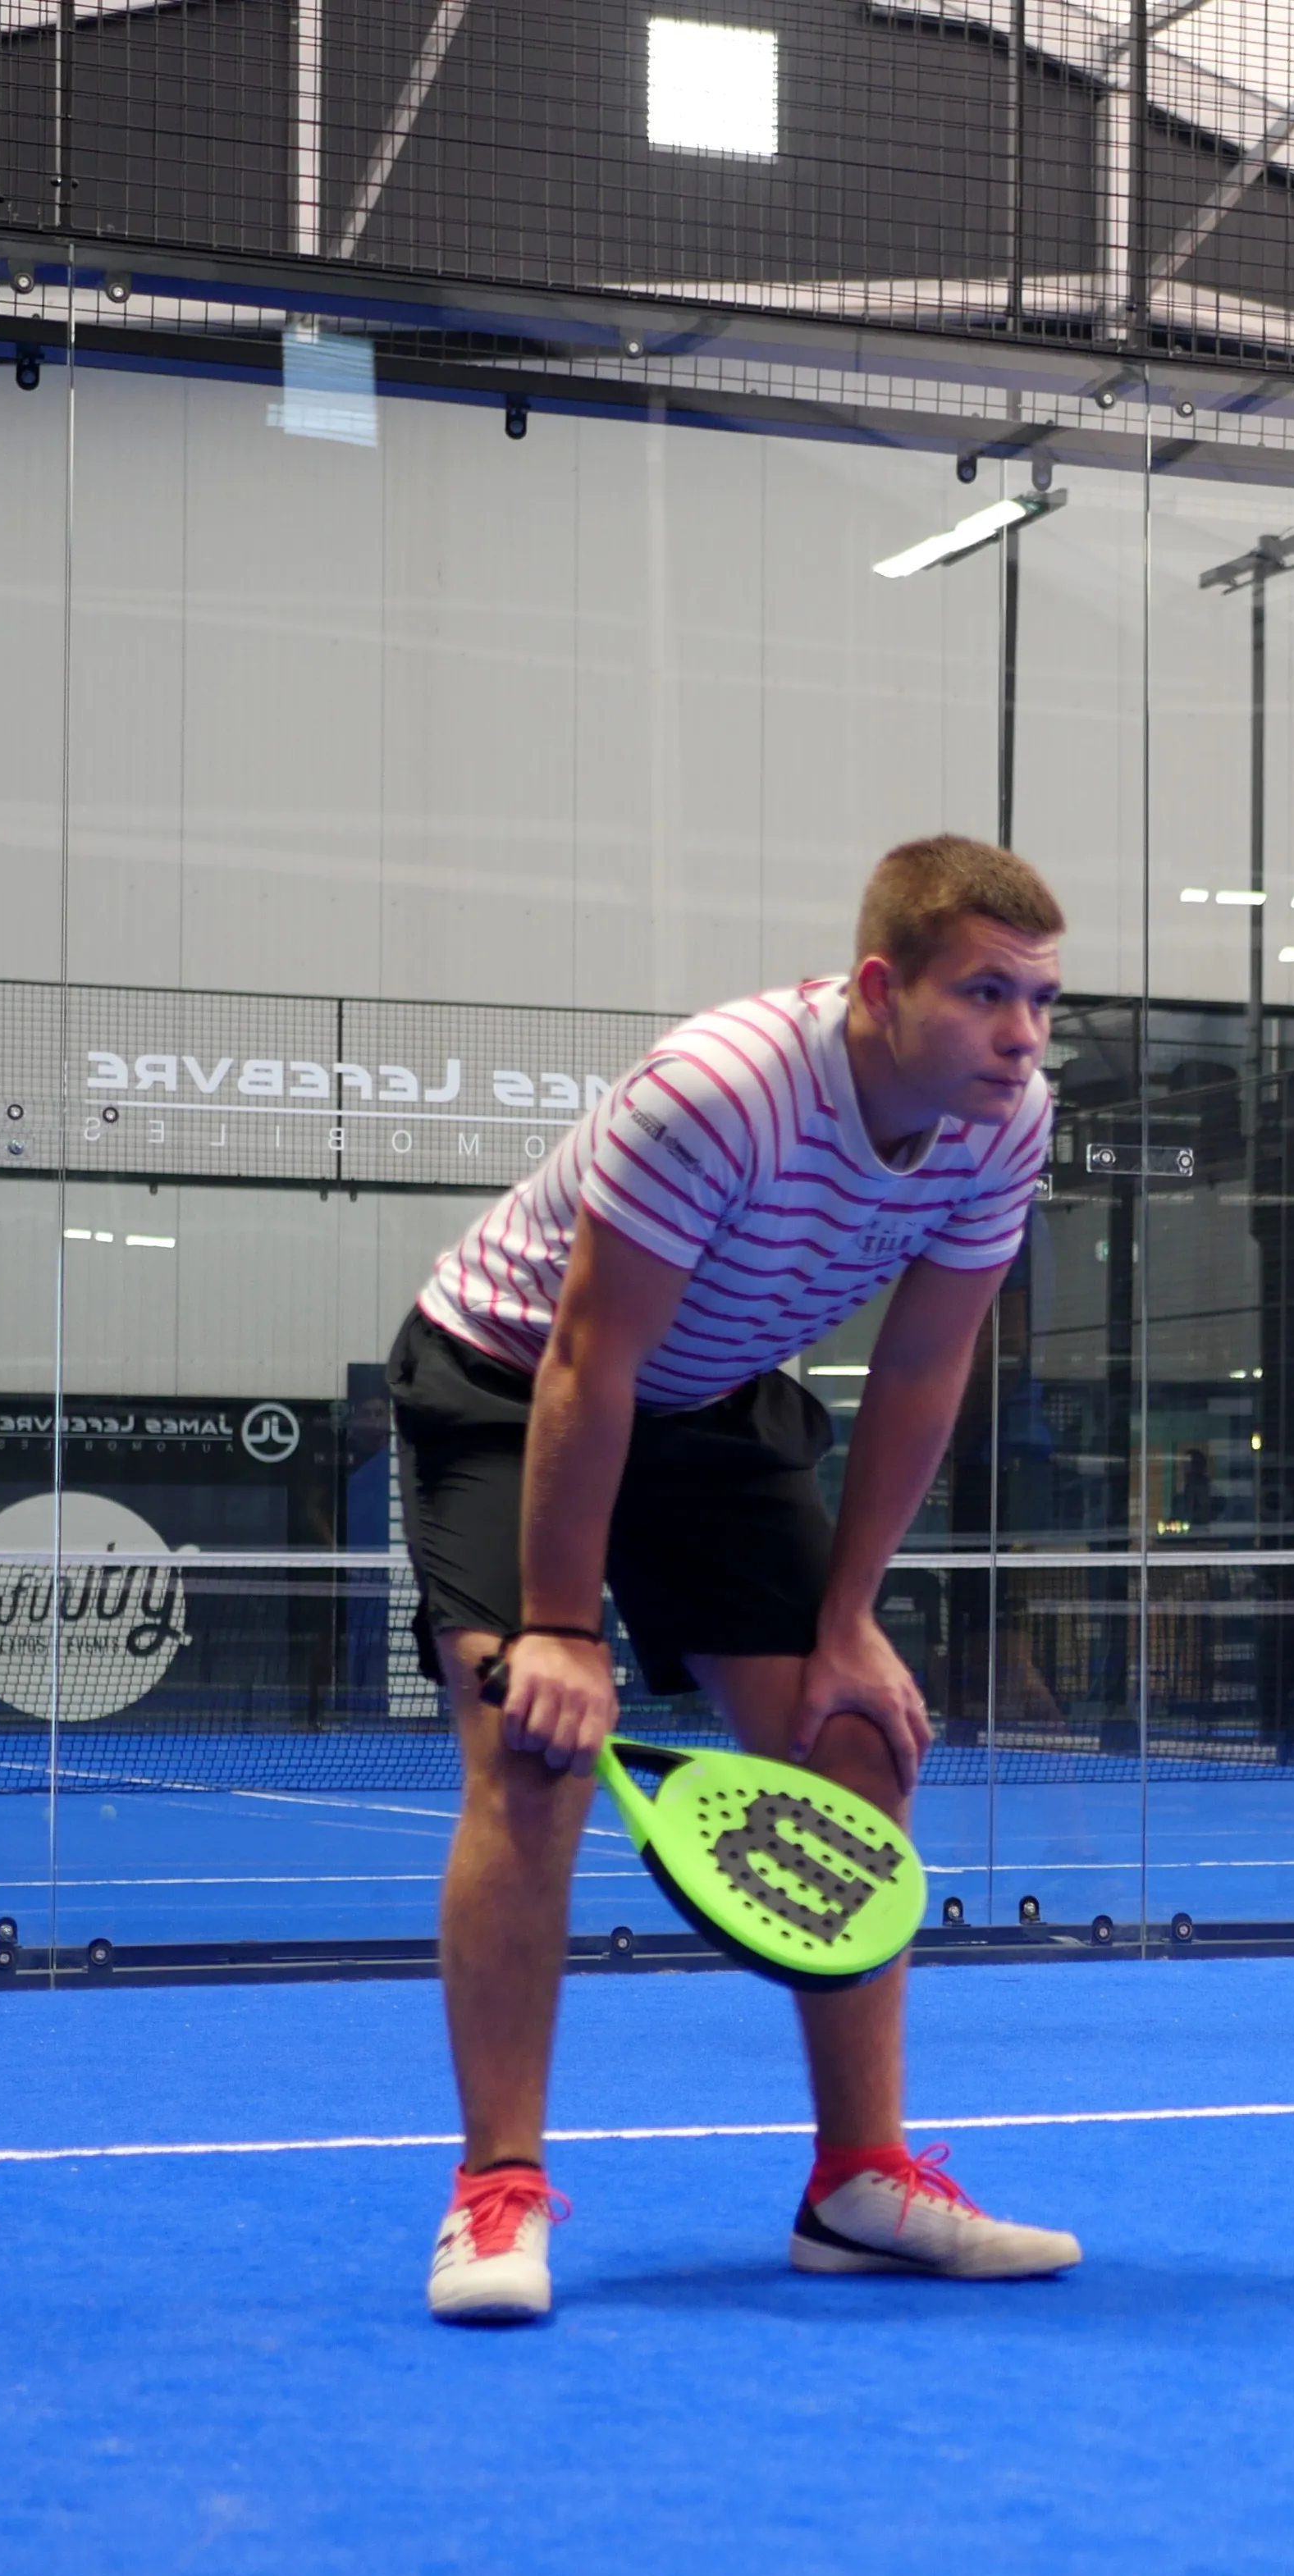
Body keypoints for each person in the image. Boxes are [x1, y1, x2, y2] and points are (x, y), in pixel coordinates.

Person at [391, 836, 1083, 2323]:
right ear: (886, 988)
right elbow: (592, 1355)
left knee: (856, 1742)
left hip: (715, 1406)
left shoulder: (1006, 1123)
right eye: (986, 995)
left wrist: (847, 1624)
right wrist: (562, 1632)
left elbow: (924, 1362)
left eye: (1039, 1000)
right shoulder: (721, 1090)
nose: (1022, 1035)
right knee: (531, 1739)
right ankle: (495, 2192)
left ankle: (859, 2186)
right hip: (517, 1381)